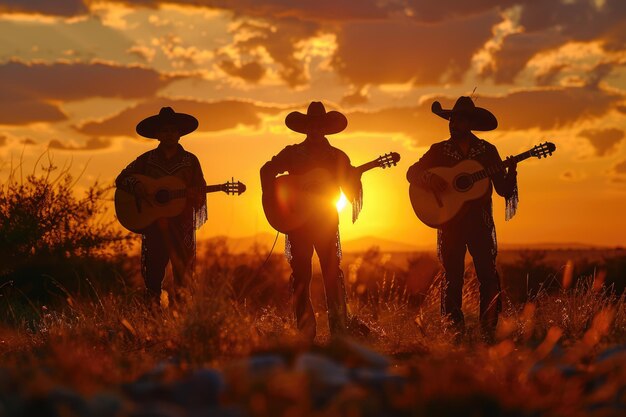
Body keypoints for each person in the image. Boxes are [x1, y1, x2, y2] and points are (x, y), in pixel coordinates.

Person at [407, 96, 518, 342]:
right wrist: (429, 179)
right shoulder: (438, 150)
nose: (453, 123)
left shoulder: (488, 151)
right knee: (452, 277)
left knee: (488, 276)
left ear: (469, 123)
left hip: (480, 223)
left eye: (459, 119)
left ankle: (488, 332)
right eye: (452, 119)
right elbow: (412, 172)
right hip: (451, 225)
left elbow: (502, 189)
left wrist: (511, 171)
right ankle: (454, 332)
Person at [260, 101, 365, 342]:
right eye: (312, 125)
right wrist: (279, 201)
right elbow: (267, 171)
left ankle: (339, 332)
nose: (316, 130)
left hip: (326, 221)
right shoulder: (292, 153)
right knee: (301, 275)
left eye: (320, 126)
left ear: (326, 128)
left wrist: (354, 178)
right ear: (306, 127)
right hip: (298, 224)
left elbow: (349, 190)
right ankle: (305, 332)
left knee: (331, 273)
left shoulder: (337, 156)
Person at [116, 107, 207, 303]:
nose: (169, 135)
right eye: (165, 131)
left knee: (183, 275)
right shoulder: (146, 159)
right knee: (153, 276)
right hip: (154, 224)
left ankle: (181, 319)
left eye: (173, 130)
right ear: (157, 135)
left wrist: (191, 197)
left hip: (182, 226)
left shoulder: (190, 161)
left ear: (179, 134)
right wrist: (138, 185)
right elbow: (122, 178)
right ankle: (152, 317)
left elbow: (200, 189)